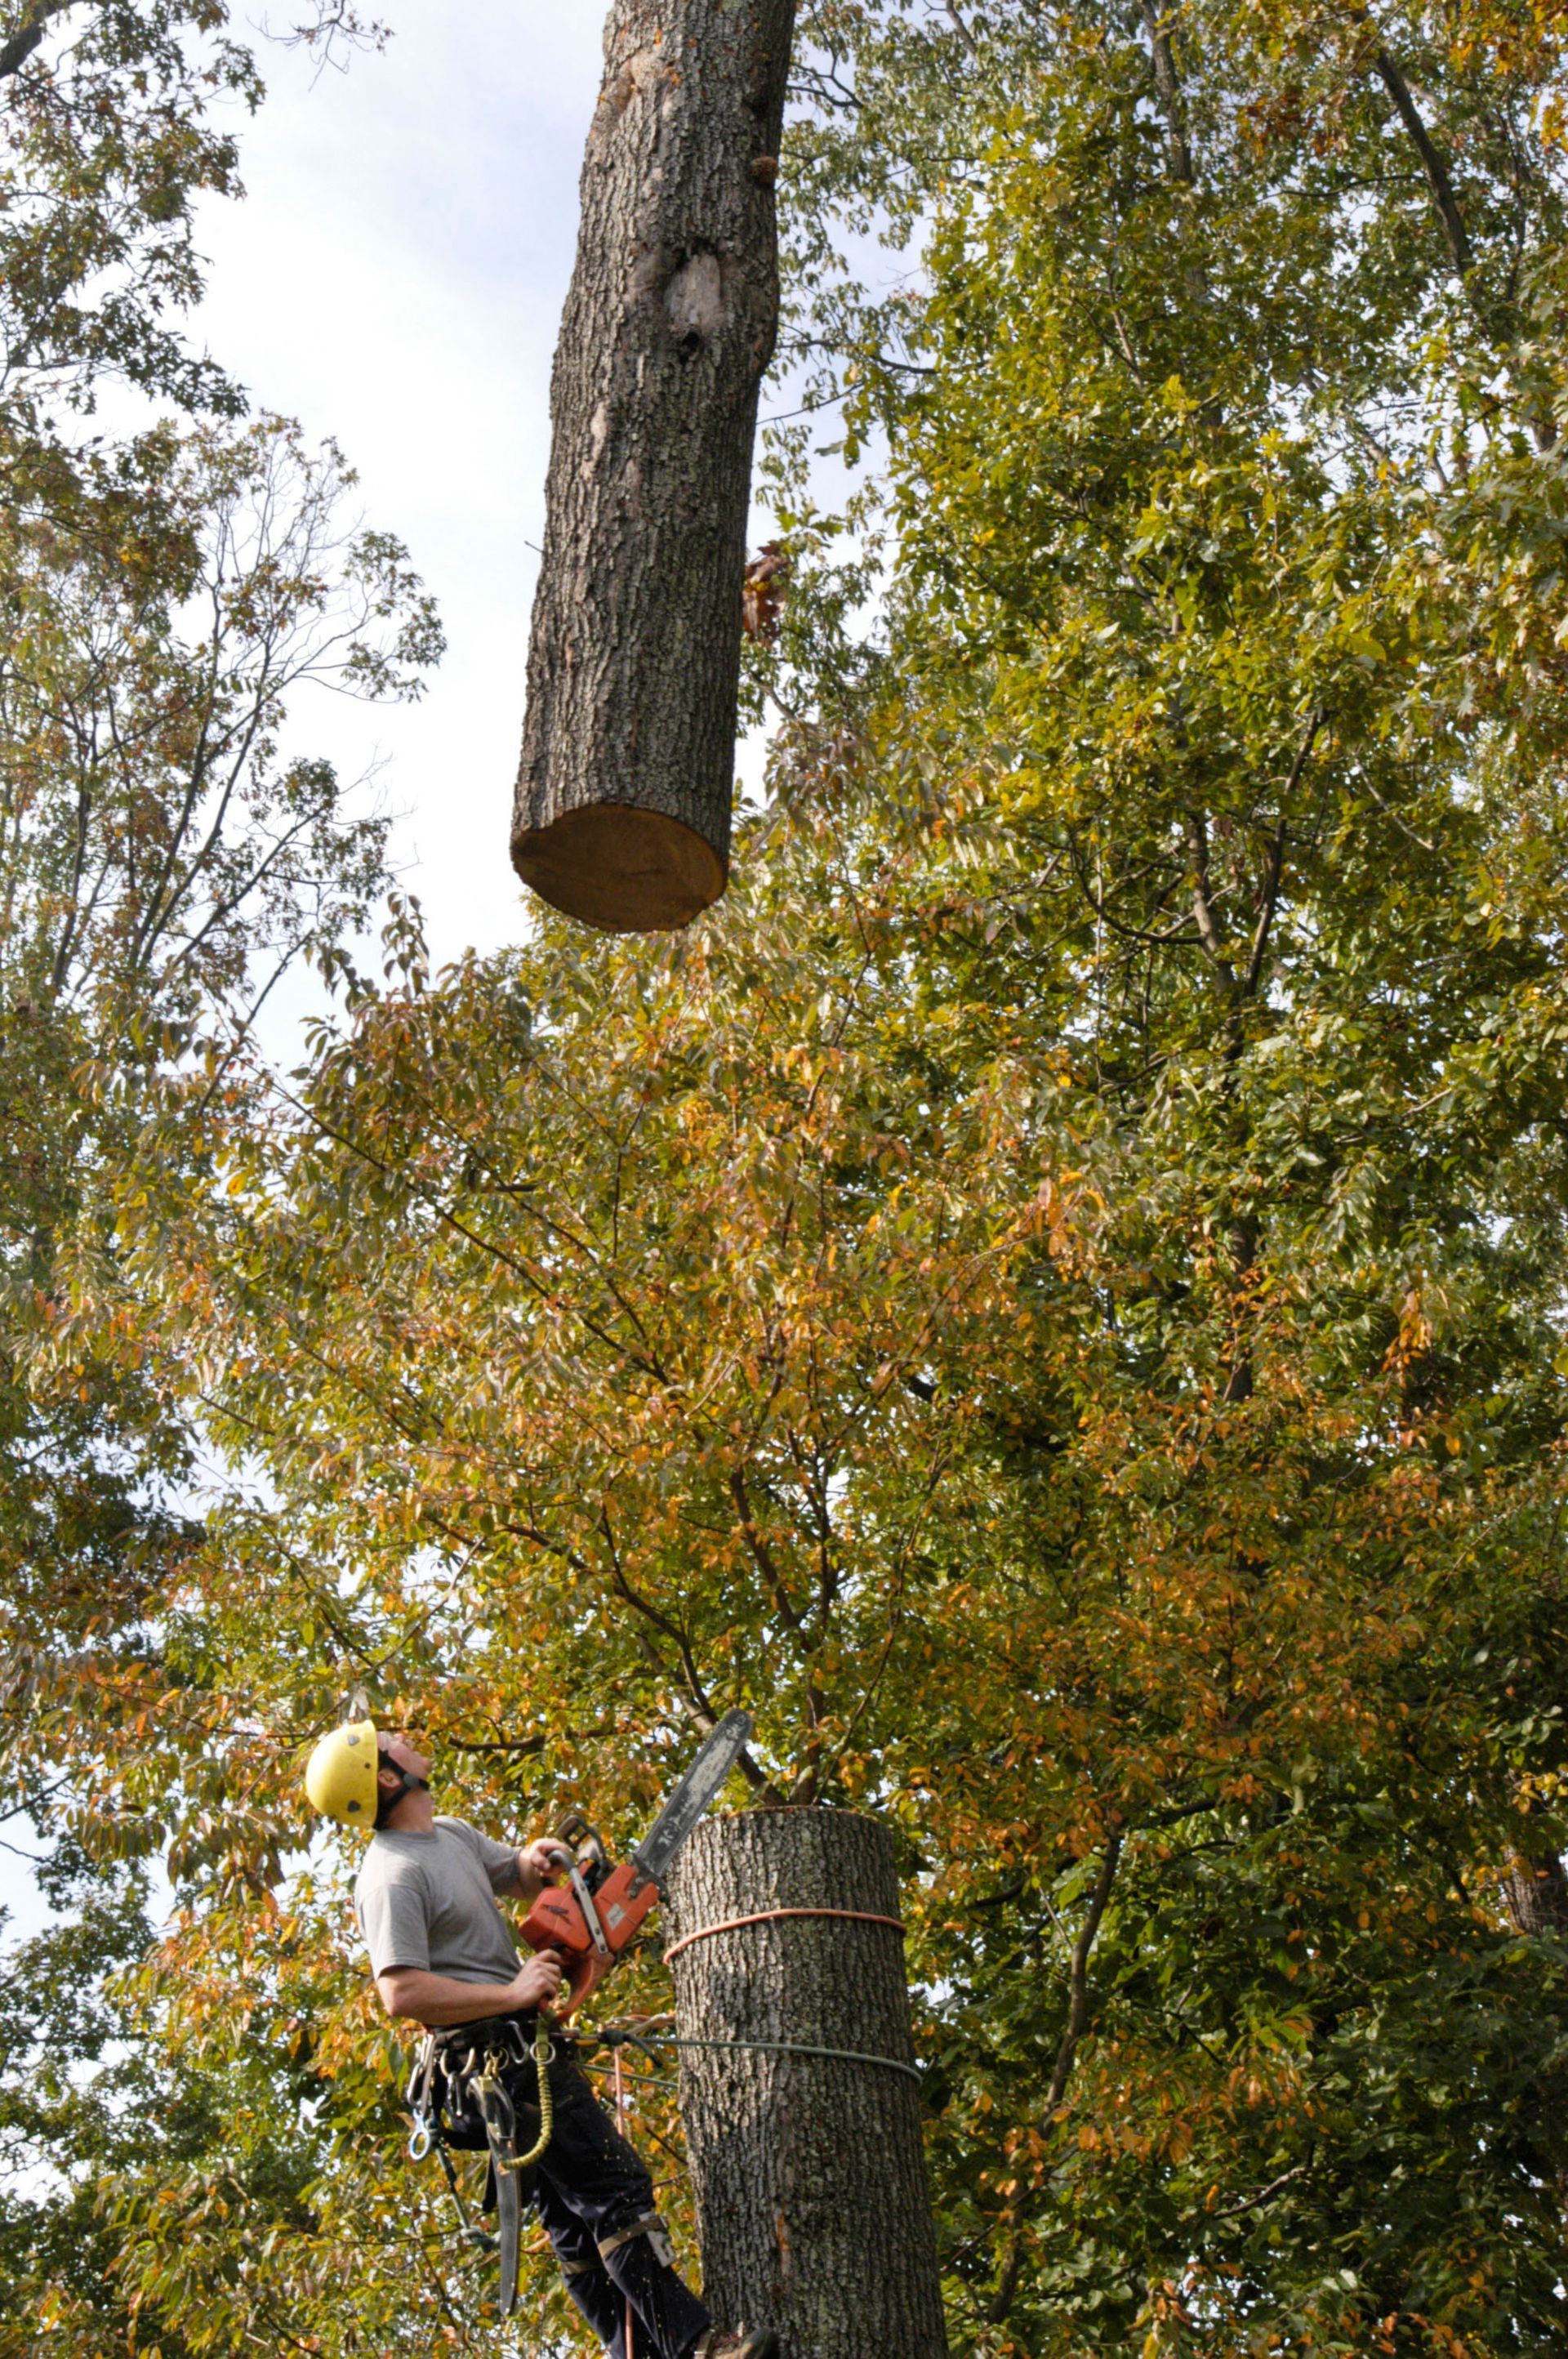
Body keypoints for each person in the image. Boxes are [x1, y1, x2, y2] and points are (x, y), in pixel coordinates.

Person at [305, 1715, 775, 2359]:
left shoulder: (449, 1835)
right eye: (392, 1743)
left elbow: (517, 1877)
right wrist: (513, 1994)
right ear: (387, 1775)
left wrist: (537, 1861)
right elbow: (402, 1992)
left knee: (575, 2225)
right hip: (494, 2060)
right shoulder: (390, 1875)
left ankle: (631, 2351)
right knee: (613, 2188)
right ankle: (696, 2345)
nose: (407, 1738)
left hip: (521, 2048)